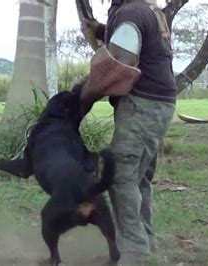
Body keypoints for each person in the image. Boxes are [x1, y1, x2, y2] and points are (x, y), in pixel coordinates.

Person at [80, 0, 177, 262]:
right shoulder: (148, 9)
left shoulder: (130, 13)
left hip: (142, 104)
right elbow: (135, 41)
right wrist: (100, 30)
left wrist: (81, 99)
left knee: (121, 174)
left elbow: (120, 63)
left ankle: (134, 251)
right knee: (137, 177)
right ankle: (145, 240)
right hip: (159, 103)